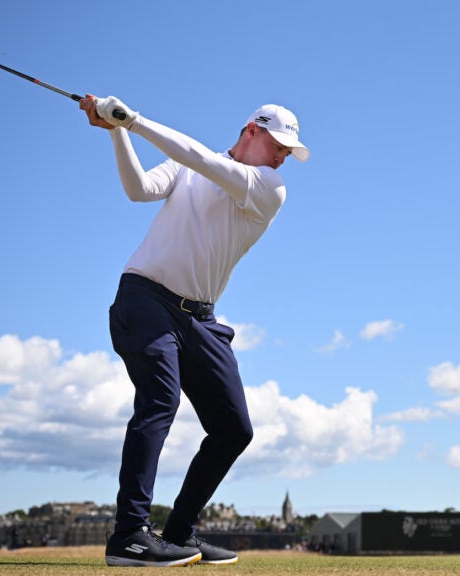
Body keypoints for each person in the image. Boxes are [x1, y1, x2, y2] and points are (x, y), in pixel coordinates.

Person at [79, 95, 309, 567]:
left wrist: (134, 120)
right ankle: (129, 535)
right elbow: (139, 189)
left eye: (289, 149)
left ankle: (180, 532)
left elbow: (199, 158)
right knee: (160, 400)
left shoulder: (268, 187)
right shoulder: (186, 165)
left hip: (199, 319)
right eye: (279, 144)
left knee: (233, 429)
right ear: (252, 131)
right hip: (144, 297)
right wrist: (117, 131)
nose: (284, 154)